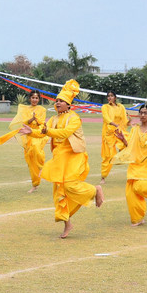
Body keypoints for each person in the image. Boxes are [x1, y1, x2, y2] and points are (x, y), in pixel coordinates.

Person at [38, 80, 104, 238]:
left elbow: (64, 133)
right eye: (57, 100)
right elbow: (43, 132)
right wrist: (31, 131)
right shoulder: (53, 119)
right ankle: (67, 223)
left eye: (61, 101)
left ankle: (95, 190)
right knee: (59, 193)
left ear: (69, 105)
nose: (58, 103)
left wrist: (47, 132)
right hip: (59, 158)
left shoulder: (74, 118)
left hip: (75, 156)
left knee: (70, 185)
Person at [0, 89, 49, 193]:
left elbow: (42, 123)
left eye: (36, 98)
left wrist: (36, 120)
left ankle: (42, 166)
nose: (34, 99)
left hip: (37, 134)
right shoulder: (25, 109)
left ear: (39, 99)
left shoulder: (42, 109)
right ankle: (35, 184)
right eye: (33, 97)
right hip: (28, 135)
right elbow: (24, 122)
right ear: (30, 98)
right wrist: (31, 120)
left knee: (36, 148)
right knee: (30, 160)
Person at [98, 91, 129, 183]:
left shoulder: (121, 107)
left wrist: (129, 122)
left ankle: (136, 171)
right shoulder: (105, 107)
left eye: (111, 96)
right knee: (108, 156)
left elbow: (124, 120)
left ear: (115, 97)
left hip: (119, 131)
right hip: (108, 133)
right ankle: (103, 177)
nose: (109, 98)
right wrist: (115, 125)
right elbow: (106, 118)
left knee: (128, 144)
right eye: (108, 96)